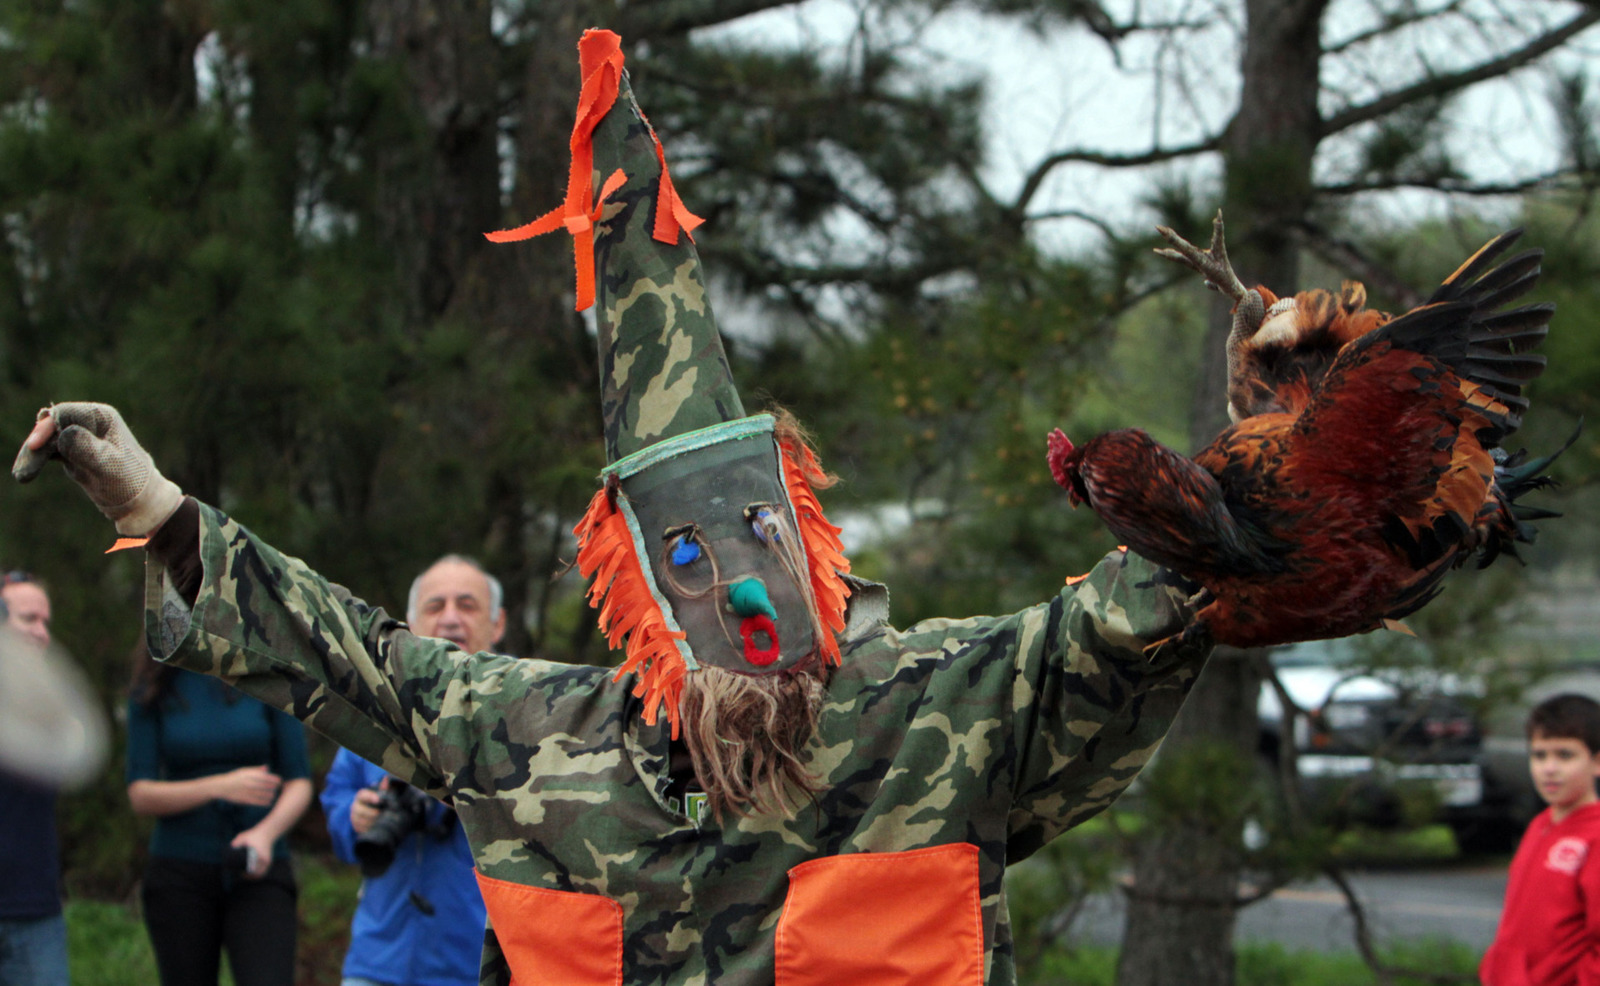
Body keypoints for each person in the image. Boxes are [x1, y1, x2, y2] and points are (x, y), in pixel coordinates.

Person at [14, 30, 1222, 986]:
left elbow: (1130, 621)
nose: (741, 589)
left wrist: (1246, 490)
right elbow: (355, 655)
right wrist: (164, 512)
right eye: (685, 554)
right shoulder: (532, 735)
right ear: (632, 592)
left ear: (811, 540)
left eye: (759, 535)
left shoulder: (944, 706)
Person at [320, 556, 499, 986]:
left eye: (468, 605)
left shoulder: (520, 722)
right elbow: (337, 798)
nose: (450, 618)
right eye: (435, 606)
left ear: (498, 623)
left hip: (475, 965)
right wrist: (355, 817)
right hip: (379, 959)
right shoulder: (372, 715)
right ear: (409, 622)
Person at [125, 642, 313, 986]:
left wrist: (266, 835)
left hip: (259, 866)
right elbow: (140, 793)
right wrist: (219, 786)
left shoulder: (268, 673)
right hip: (179, 872)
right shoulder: (154, 683)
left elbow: (299, 782)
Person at [1480, 694, 1600, 986]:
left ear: (1597, 762)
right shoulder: (1540, 825)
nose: (1549, 768)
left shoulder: (1594, 835)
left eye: (1565, 755)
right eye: (1539, 755)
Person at [0, 573, 70, 986]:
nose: (42, 633)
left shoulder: (49, 705)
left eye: (47, 622)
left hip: (34, 913)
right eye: (29, 619)